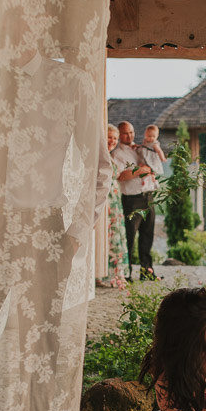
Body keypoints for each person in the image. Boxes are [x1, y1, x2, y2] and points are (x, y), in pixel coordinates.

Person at [110, 121, 156, 281]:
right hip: (131, 199)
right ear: (120, 134)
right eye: (125, 133)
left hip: (148, 196)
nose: (129, 136)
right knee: (129, 237)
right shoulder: (117, 154)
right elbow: (120, 175)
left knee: (147, 236)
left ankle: (147, 271)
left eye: (131, 132)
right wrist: (139, 170)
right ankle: (127, 273)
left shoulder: (140, 149)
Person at [96, 123, 128, 288]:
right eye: (109, 137)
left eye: (115, 138)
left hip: (115, 201)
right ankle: (102, 273)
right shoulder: (99, 156)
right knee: (106, 236)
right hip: (106, 200)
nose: (112, 141)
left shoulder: (111, 156)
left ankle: (116, 274)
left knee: (116, 237)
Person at [135, 124, 166, 194]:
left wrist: (162, 158)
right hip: (145, 158)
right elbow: (143, 146)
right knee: (142, 168)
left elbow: (159, 151)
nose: (151, 138)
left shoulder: (155, 144)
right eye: (149, 136)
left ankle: (154, 181)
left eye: (153, 136)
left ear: (157, 136)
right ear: (145, 134)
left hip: (151, 159)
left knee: (151, 171)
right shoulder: (145, 141)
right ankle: (144, 183)